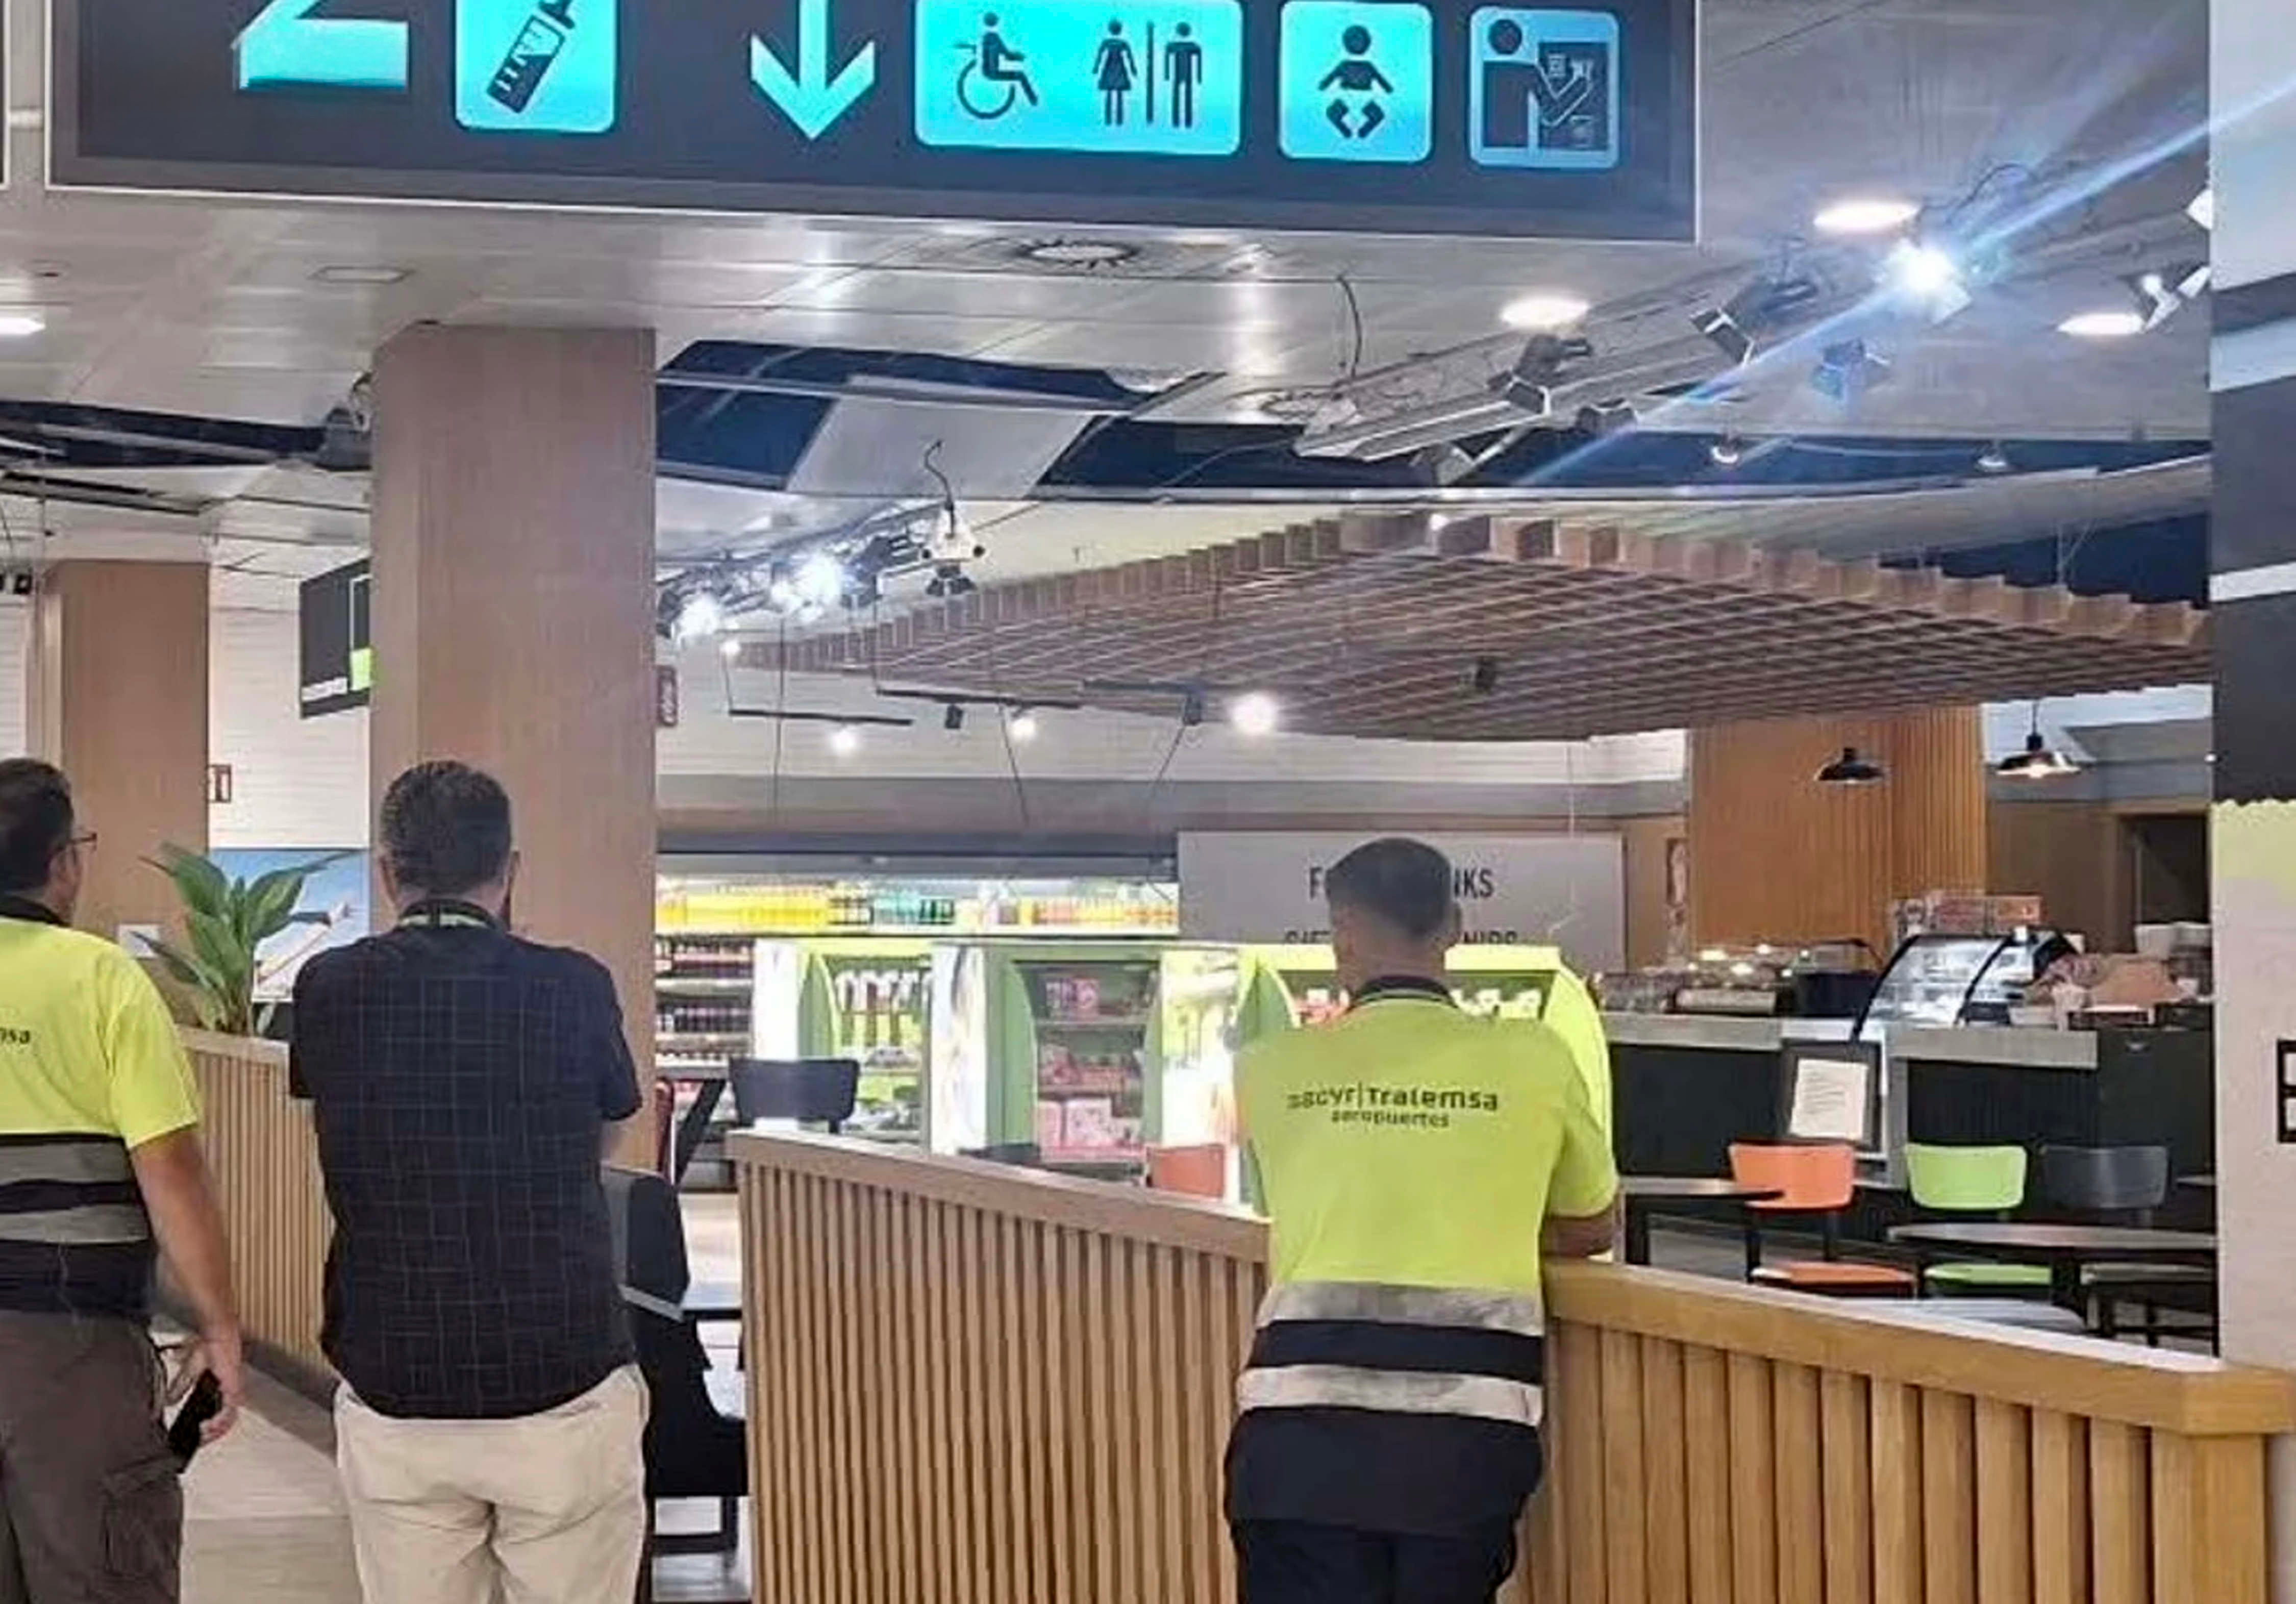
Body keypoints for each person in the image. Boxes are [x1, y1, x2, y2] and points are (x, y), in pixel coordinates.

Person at [1226, 838, 1618, 1604]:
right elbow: (1592, 1223)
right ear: (1456, 927)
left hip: (1296, 1440)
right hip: (1464, 1442)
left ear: (1341, 932)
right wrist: (1491, 1213)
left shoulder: (1271, 1067)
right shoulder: (1534, 1057)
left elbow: (1302, 1199)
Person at [290, 761, 646, 1604]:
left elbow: (336, 1115)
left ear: (388, 872)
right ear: (510, 869)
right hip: (560, 1374)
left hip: (396, 1373)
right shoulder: (574, 984)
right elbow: (610, 1125)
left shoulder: (331, 987)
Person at [0, 758, 244, 1604]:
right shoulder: (103, 978)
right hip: (79, 1345)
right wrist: (218, 1325)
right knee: (100, 1569)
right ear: (65, 860)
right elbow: (170, 1168)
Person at [1094, 20, 1136, 126]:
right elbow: (1130, 58)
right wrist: (1133, 69)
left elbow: (1100, 56)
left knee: (1111, 94)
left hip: (1110, 68)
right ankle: (1117, 120)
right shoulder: (1122, 43)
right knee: (1118, 95)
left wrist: (1096, 67)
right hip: (1118, 68)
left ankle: (1111, 120)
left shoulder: (1108, 43)